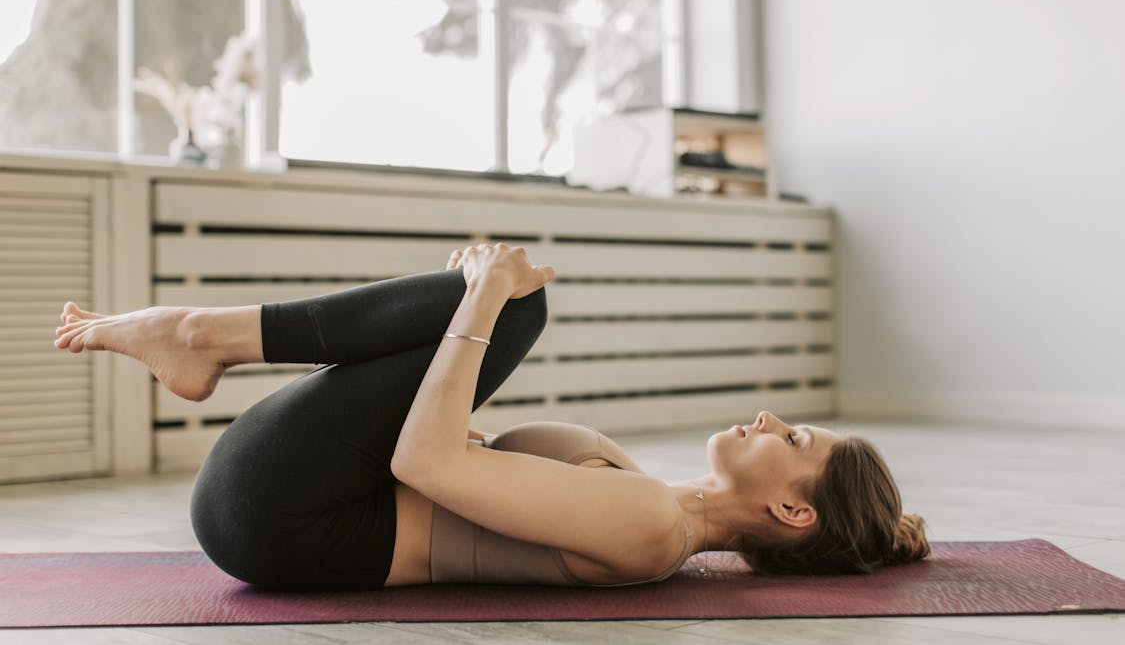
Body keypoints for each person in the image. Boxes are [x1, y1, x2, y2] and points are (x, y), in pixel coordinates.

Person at [54, 243, 929, 590]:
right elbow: (453, 460)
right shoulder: (655, 501)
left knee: (511, 305)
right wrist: (458, 304)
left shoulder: (652, 525)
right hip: (295, 506)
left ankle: (197, 335)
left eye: (793, 438)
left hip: (283, 519)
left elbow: (427, 465)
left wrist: (475, 305)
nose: (771, 418)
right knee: (496, 299)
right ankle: (196, 335)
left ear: (792, 509)